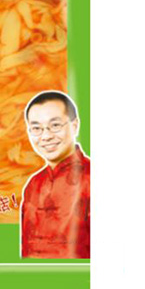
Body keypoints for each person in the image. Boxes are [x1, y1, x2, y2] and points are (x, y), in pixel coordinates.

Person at [21, 90, 90, 259]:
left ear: (75, 126)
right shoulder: (33, 184)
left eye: (55, 125)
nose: (46, 136)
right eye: (36, 128)